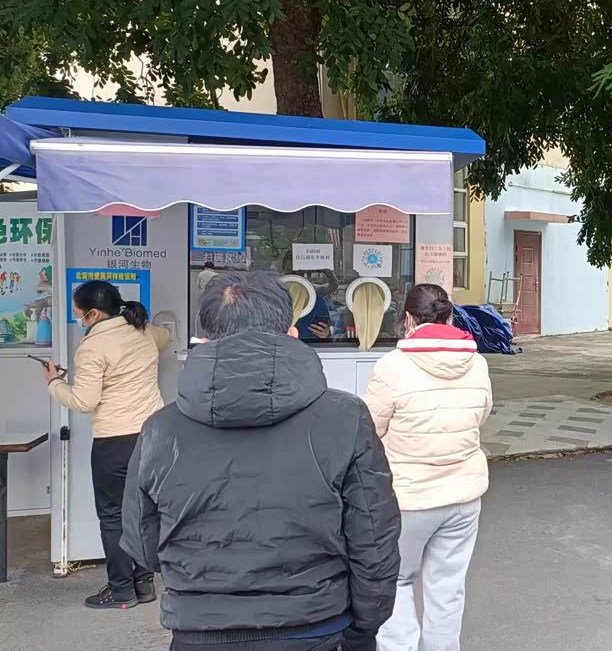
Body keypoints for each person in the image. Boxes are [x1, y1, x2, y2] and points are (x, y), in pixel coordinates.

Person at [121, 272, 400, 650]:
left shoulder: (161, 428)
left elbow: (142, 542)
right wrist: (365, 624)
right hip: (316, 625)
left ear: (206, 340)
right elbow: (374, 536)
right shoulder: (346, 417)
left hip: (199, 629)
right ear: (292, 333)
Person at [363, 284, 492, 651]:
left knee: (396, 581)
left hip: (408, 499)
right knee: (447, 589)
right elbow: (480, 416)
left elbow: (369, 427)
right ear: (448, 317)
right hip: (464, 496)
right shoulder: (477, 362)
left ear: (408, 319)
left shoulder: (393, 365)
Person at [41, 280, 169, 610]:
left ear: (94, 314)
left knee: (113, 517)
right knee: (143, 512)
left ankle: (121, 590)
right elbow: (165, 338)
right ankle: (144, 585)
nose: (78, 319)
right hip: (151, 436)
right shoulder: (144, 332)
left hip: (115, 441)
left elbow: (84, 401)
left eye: (79, 314)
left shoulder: (92, 347)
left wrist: (55, 383)